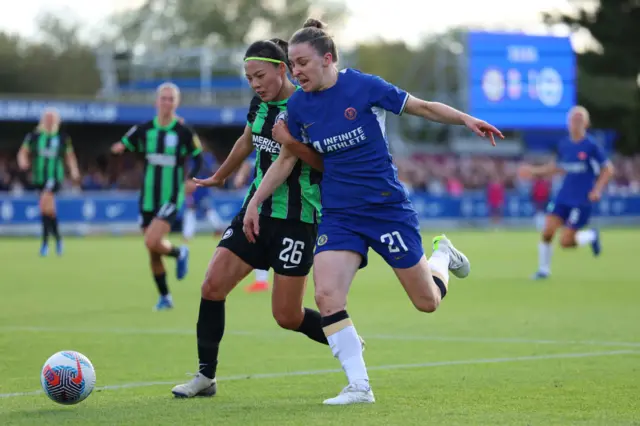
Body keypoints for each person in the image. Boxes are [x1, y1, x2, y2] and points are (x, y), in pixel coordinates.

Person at [242, 18, 503, 405]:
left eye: (302, 63)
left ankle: (443, 255)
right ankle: (359, 386)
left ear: (327, 59)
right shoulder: (297, 106)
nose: (295, 72)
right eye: (292, 65)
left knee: (426, 302)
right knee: (328, 295)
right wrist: (255, 201)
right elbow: (284, 159)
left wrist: (465, 119)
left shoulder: (364, 87)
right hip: (339, 214)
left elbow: (424, 107)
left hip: (386, 209)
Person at [171, 38, 337, 399]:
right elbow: (247, 140)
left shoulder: (309, 106)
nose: (255, 84)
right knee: (212, 285)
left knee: (287, 317)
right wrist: (221, 174)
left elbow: (324, 164)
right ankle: (205, 377)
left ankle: (347, 342)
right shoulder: (259, 105)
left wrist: (290, 144)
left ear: (282, 69)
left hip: (297, 219)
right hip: (255, 213)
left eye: (260, 75)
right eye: (249, 78)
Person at [111, 83, 203, 311]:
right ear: (156, 101)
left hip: (171, 196)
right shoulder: (144, 129)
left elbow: (198, 157)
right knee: (153, 251)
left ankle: (180, 252)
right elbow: (124, 143)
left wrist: (191, 179)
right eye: (163, 98)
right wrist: (118, 148)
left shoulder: (183, 131)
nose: (167, 102)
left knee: (152, 240)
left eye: (171, 99)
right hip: (147, 197)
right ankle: (165, 296)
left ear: (176, 103)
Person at [519, 106, 614, 280]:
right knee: (547, 231)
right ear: (568, 123)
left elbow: (608, 169)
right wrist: (533, 171)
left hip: (582, 199)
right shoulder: (564, 145)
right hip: (563, 196)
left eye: (579, 120)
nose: (576, 123)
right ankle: (543, 270)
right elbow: (556, 168)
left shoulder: (591, 146)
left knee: (566, 242)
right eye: (573, 119)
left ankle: (591, 235)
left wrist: (597, 189)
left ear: (586, 123)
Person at [17, 108, 80, 256]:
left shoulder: (63, 137)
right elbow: (23, 152)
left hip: (54, 177)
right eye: (48, 118)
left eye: (53, 118)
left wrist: (74, 170)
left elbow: (69, 156)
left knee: (46, 202)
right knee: (47, 211)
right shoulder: (34, 136)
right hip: (39, 178)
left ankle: (45, 244)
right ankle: (58, 239)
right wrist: (23, 161)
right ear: (43, 120)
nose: (50, 120)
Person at [233, 149, 271, 293]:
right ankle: (261, 280)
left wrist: (240, 176)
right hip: (258, 196)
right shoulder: (260, 142)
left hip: (264, 198)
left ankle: (261, 280)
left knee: (257, 235)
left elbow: (247, 164)